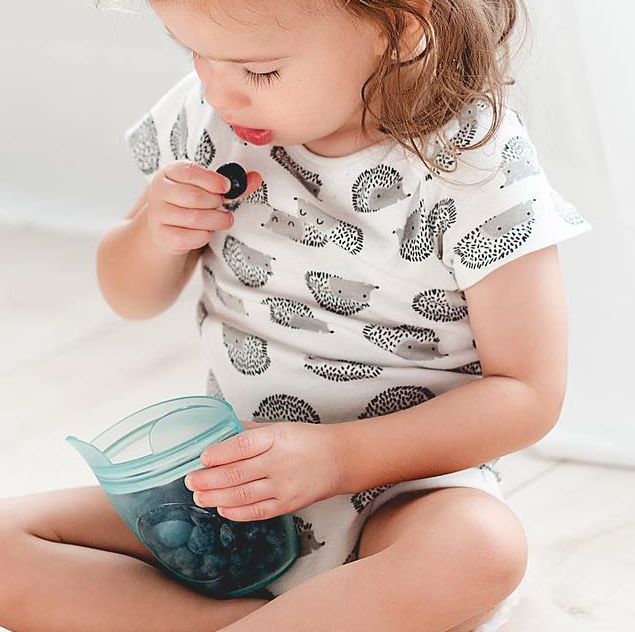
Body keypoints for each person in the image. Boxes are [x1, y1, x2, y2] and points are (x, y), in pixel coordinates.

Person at [0, 0, 592, 631]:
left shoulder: (475, 164)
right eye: (194, 52)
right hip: (230, 494)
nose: (218, 90)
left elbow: (527, 393)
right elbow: (129, 296)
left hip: (402, 497)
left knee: (481, 547)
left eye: (260, 73)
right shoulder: (210, 123)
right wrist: (153, 232)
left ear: (398, 27)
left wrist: (337, 459)